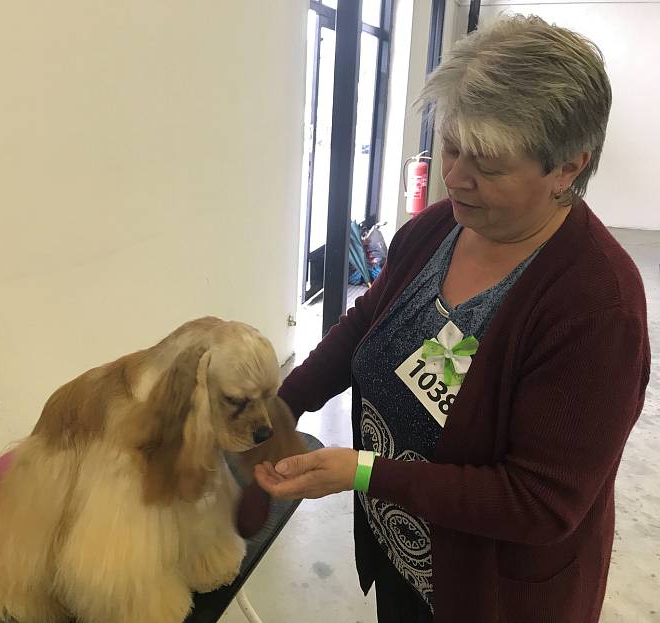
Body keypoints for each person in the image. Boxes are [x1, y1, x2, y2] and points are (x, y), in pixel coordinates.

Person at [254, 15, 650, 623]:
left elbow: (539, 501)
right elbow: (369, 323)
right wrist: (284, 403)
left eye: (488, 164)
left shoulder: (596, 309)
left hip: (493, 594)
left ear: (568, 167)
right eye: (451, 145)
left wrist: (362, 472)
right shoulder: (438, 228)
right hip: (404, 553)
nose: (455, 176)